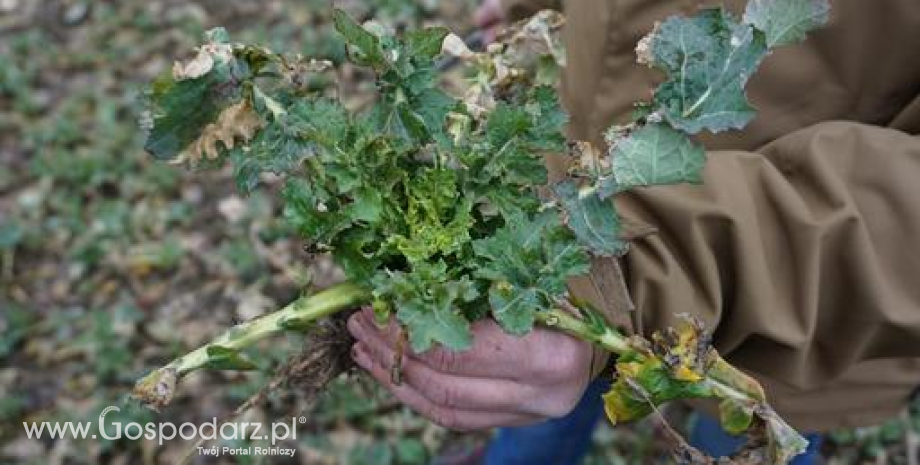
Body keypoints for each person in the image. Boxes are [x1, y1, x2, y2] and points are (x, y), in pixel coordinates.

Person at [347, 0, 920, 463]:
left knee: (743, 428)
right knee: (539, 417)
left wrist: (634, 276)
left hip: (801, 319)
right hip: (572, 228)